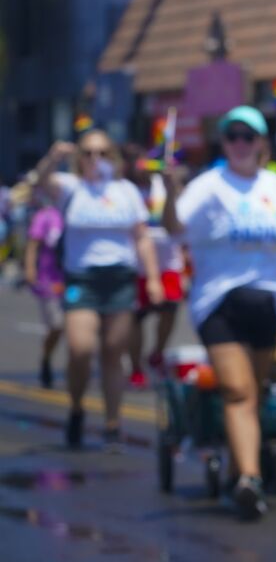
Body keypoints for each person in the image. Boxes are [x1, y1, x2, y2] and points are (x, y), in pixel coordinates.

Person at [164, 106, 276, 521]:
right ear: (223, 143)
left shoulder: (274, 183)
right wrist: (170, 192)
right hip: (220, 302)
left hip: (267, 302)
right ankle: (249, 481)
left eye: (248, 136)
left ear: (261, 144)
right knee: (238, 391)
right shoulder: (208, 185)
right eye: (232, 136)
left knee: (252, 394)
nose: (240, 143)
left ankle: (238, 474)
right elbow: (172, 227)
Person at [32, 131, 160, 450]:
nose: (95, 160)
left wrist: (154, 277)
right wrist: (53, 157)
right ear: (80, 159)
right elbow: (39, 183)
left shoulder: (125, 190)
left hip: (119, 277)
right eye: (88, 153)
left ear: (113, 158)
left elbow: (141, 236)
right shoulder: (72, 189)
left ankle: (112, 422)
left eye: (102, 153)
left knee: (113, 352)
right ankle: (76, 407)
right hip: (82, 279)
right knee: (80, 348)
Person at [122, 144, 184, 389]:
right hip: (135, 263)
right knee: (136, 318)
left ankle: (157, 352)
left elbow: (178, 214)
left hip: (168, 260)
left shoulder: (162, 184)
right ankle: (136, 367)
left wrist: (172, 185)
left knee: (170, 310)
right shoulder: (125, 190)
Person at [22, 197, 65, 388]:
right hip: (50, 280)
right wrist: (30, 268)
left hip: (73, 280)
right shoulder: (46, 215)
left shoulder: (74, 212)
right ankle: (46, 358)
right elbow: (33, 243)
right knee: (56, 325)